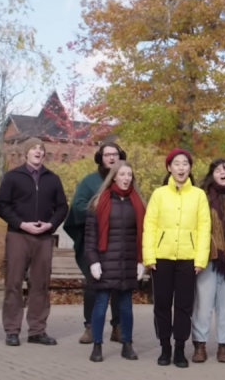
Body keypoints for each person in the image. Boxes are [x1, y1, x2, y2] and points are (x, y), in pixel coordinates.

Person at [0, 137, 68, 347]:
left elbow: (63, 207)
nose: (38, 151)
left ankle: (37, 330)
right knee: (14, 282)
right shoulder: (13, 177)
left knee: (40, 283)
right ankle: (12, 330)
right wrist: (21, 224)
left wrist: (50, 225)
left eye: (41, 148)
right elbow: (1, 206)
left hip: (44, 237)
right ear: (26, 153)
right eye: (34, 148)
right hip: (19, 235)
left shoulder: (52, 179)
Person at [143, 148, 211, 368]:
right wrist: (149, 256)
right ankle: (165, 347)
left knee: (184, 305)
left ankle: (180, 349)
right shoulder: (159, 194)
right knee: (162, 304)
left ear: (190, 168)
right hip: (161, 258)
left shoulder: (199, 195)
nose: (181, 168)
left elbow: (204, 228)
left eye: (185, 164)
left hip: (187, 259)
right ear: (169, 167)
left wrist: (200, 259)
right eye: (177, 163)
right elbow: (150, 226)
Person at [65, 143, 126, 344]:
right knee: (94, 283)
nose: (110, 158)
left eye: (114, 154)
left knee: (119, 284)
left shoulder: (126, 179)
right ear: (100, 158)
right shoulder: (90, 181)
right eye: (106, 154)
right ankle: (90, 327)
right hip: (94, 240)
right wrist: (102, 210)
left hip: (120, 241)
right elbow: (78, 205)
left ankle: (118, 326)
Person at [83, 160, 144, 362]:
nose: (127, 178)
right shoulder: (98, 202)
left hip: (127, 262)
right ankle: (97, 346)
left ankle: (127, 344)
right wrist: (93, 261)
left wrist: (141, 261)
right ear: (114, 176)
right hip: (104, 261)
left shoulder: (138, 203)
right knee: (100, 304)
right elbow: (90, 236)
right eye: (123, 174)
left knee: (126, 306)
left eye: (129, 175)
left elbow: (143, 234)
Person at [192, 158, 225, 364]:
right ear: (211, 174)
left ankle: (224, 345)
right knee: (203, 302)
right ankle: (200, 344)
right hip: (206, 255)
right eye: (217, 170)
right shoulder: (201, 196)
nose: (222, 173)